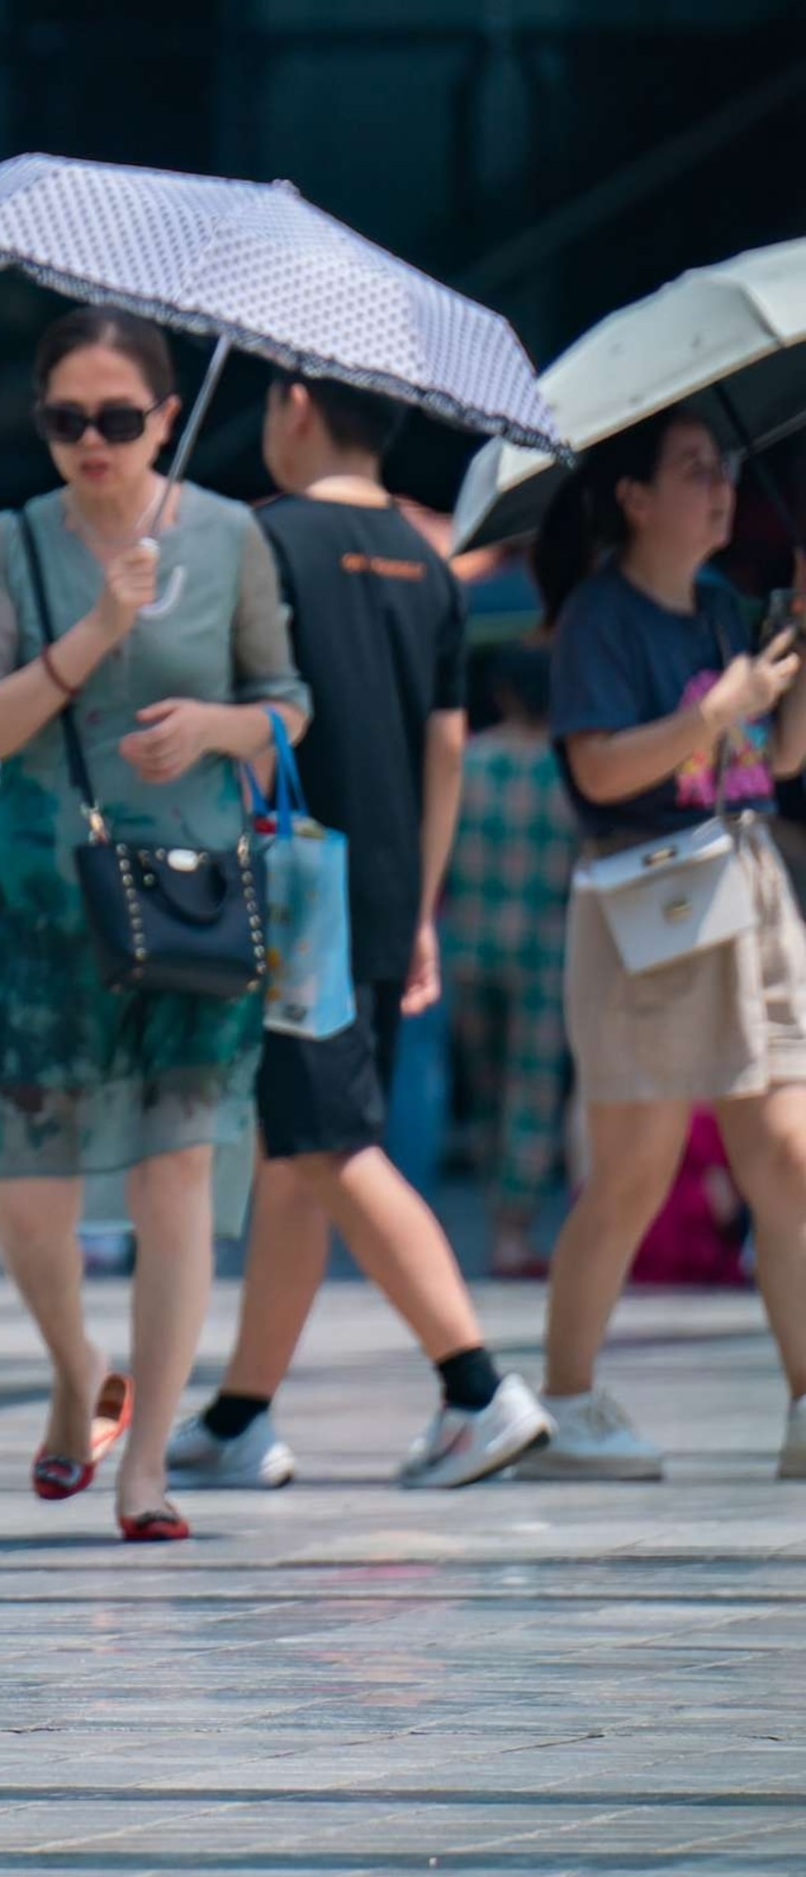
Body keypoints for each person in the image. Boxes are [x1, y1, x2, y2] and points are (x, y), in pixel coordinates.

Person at [0, 307, 312, 1543]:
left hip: (193, 893)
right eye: (66, 420)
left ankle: (146, 1457)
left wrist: (217, 728)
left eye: (118, 419)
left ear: (165, 416)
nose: (92, 443)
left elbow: (287, 704)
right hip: (45, 901)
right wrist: (100, 627)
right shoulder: (9, 543)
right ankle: (73, 1367)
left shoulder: (231, 534)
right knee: (30, 1197)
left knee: (178, 1177)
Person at [167, 375, 552, 1491]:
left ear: (293, 402)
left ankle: (477, 1386)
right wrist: (421, 902)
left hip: (287, 888)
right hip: (381, 890)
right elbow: (447, 747)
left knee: (331, 1142)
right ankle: (242, 1414)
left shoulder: (259, 539)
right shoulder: (427, 561)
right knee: (300, 1157)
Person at [527, 408, 806, 1481]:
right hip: (650, 907)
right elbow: (598, 772)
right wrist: (717, 710)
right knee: (633, 1177)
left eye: (723, 468)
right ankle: (567, 1400)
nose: (720, 487)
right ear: (635, 497)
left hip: (747, 886)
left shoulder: (726, 607)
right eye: (694, 471)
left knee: (785, 1157)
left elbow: (774, 760)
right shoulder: (602, 617)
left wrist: (786, 674)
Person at [441, 641, 574, 1277]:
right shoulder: (570, 767)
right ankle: (512, 1231)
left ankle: (501, 1222)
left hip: (468, 940)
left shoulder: (469, 762)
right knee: (532, 1090)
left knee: (488, 1088)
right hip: (548, 949)